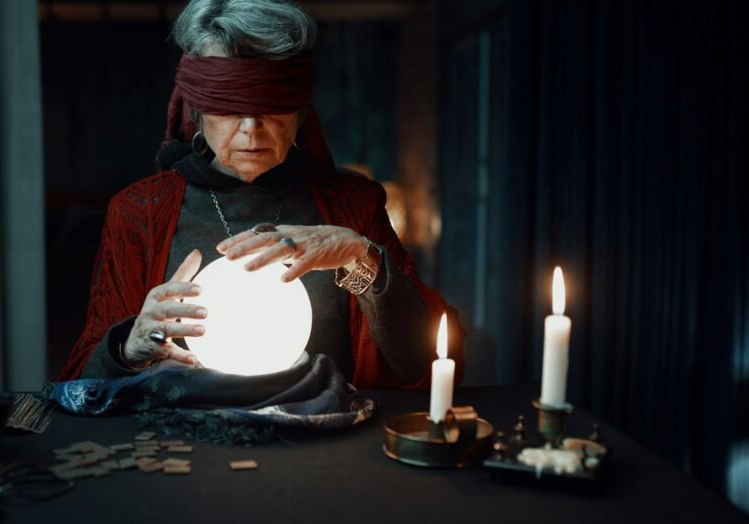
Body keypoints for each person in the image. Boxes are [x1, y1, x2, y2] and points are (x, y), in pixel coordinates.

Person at [59, 0, 465, 389]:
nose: (252, 127)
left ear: (301, 111)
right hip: (184, 453)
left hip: (327, 451)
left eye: (272, 105)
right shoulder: (138, 213)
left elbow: (428, 367)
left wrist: (365, 260)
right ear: (196, 110)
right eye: (229, 105)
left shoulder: (354, 207)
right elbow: (83, 385)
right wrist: (128, 348)